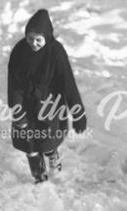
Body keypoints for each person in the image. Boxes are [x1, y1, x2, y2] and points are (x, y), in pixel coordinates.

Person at [7, 9, 87, 183]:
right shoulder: (20, 50)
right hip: (25, 102)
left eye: (38, 40)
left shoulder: (56, 52)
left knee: (46, 143)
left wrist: (78, 114)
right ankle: (39, 175)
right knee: (28, 142)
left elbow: (68, 83)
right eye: (30, 39)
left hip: (49, 105)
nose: (33, 43)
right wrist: (15, 106)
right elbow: (13, 81)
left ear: (47, 37)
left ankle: (52, 156)